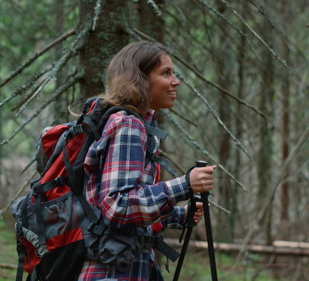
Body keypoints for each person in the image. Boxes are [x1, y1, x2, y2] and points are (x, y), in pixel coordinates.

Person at [78, 41, 216, 281]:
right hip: (111, 272)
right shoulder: (128, 124)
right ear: (139, 79)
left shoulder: (137, 124)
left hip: (119, 267)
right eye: (166, 73)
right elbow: (116, 207)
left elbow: (119, 208)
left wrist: (177, 215)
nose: (176, 81)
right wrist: (185, 184)